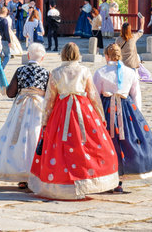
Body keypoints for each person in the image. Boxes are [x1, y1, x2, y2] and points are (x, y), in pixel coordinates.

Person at [28, 42, 119, 200]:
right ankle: (84, 178)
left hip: (61, 112)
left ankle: (63, 182)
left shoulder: (56, 72)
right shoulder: (84, 70)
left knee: (62, 146)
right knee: (83, 144)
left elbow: (49, 99)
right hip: (83, 111)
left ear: (63, 54)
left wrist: (45, 121)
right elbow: (93, 95)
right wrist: (100, 116)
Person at [93, 44, 152, 193]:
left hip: (106, 110)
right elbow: (136, 94)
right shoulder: (130, 72)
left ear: (107, 56)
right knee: (125, 143)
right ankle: (120, 178)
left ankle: (111, 177)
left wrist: (96, 113)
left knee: (108, 143)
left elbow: (95, 95)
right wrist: (137, 114)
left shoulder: (100, 72)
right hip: (127, 111)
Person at [0, 43, 49, 189]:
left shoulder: (21, 71)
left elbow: (10, 93)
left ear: (29, 56)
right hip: (39, 107)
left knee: (19, 137)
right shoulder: (45, 72)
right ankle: (37, 173)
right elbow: (50, 93)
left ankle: (21, 175)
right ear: (43, 57)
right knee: (35, 136)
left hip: (22, 106)